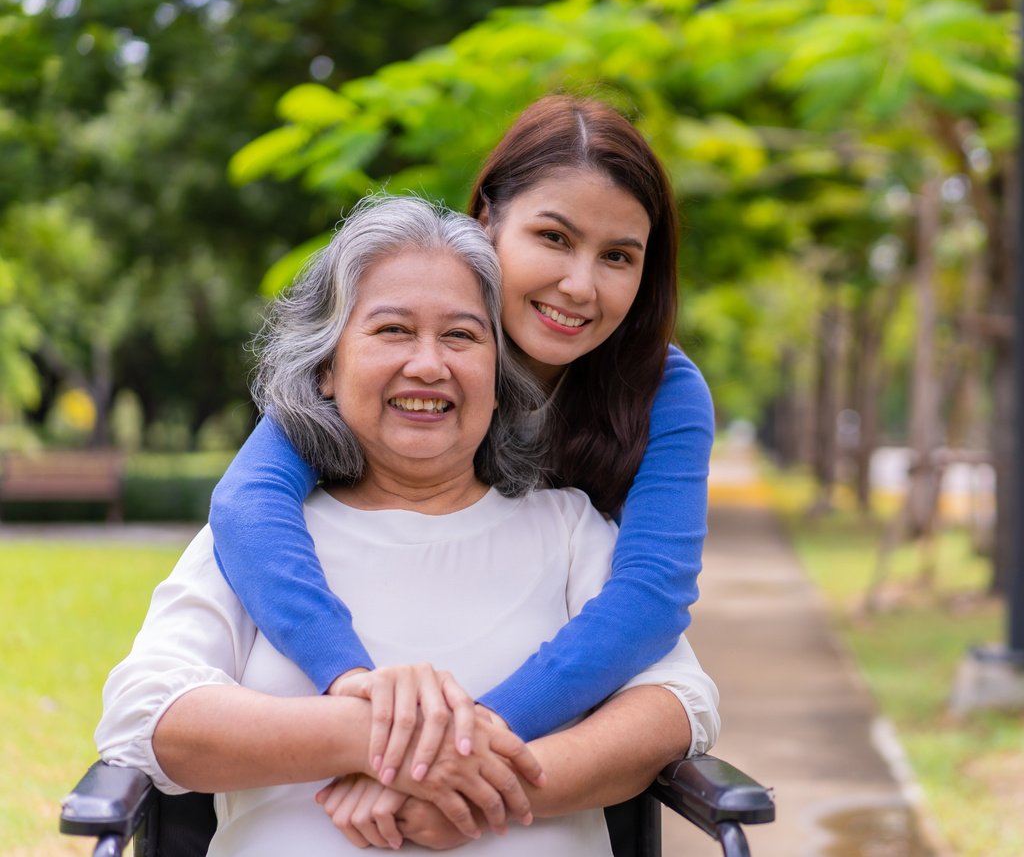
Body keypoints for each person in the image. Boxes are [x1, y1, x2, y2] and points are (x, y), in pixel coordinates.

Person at [96, 196, 719, 856]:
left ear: (500, 376)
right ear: (328, 368)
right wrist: (371, 733)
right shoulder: (262, 540)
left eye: (460, 335)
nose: (428, 364)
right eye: (393, 330)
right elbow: (145, 711)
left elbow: (677, 701)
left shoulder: (568, 530)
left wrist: (479, 787)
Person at [206, 95, 713, 799]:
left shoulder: (665, 391)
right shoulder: (403, 357)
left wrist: (455, 745)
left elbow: (650, 596)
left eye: (618, 256)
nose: (580, 283)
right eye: (555, 238)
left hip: (542, 713)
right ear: (487, 222)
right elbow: (247, 502)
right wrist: (354, 685)